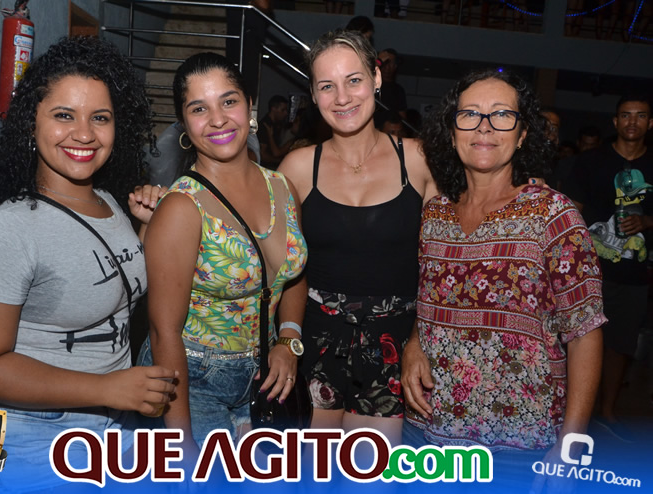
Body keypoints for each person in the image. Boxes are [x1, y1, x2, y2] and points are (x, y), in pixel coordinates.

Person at [0, 36, 174, 489]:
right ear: (31, 124)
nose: (84, 134)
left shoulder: (107, 203)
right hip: (31, 442)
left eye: (100, 118)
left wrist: (148, 228)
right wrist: (107, 388)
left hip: (107, 432)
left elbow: (107, 284)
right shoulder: (7, 230)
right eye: (64, 115)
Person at [402, 68, 605, 488]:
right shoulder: (435, 213)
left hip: (519, 446)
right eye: (470, 114)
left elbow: (585, 332)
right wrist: (414, 342)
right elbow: (429, 300)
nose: (484, 127)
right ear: (452, 130)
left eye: (501, 115)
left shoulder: (554, 215)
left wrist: (570, 446)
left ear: (523, 133)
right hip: (425, 433)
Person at [137, 52, 308, 452]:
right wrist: (181, 444)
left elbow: (293, 272)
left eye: (228, 101)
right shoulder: (182, 208)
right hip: (191, 379)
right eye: (199, 108)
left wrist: (289, 340)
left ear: (249, 104)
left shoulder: (283, 188)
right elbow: (163, 331)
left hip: (262, 375)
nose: (217, 119)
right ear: (184, 124)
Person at [278, 29, 437, 447]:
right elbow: (280, 265)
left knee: (371, 472)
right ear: (313, 94)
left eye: (353, 80)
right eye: (326, 86)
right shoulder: (296, 167)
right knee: (310, 473)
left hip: (396, 345)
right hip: (316, 342)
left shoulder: (419, 160)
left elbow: (442, 264)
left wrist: (419, 340)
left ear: (376, 78)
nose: (342, 97)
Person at [564, 92, 653, 442]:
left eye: (640, 115)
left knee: (621, 344)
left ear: (650, 123)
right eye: (626, 115)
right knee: (577, 339)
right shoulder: (591, 161)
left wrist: (646, 221)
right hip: (588, 272)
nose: (633, 121)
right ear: (615, 122)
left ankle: (608, 411)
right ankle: (571, 413)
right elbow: (572, 210)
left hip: (633, 273)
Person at [258, 94, 292, 169]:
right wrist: (279, 161)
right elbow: (262, 155)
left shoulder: (276, 124)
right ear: (273, 109)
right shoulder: (264, 126)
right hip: (265, 168)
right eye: (283, 110)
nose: (286, 113)